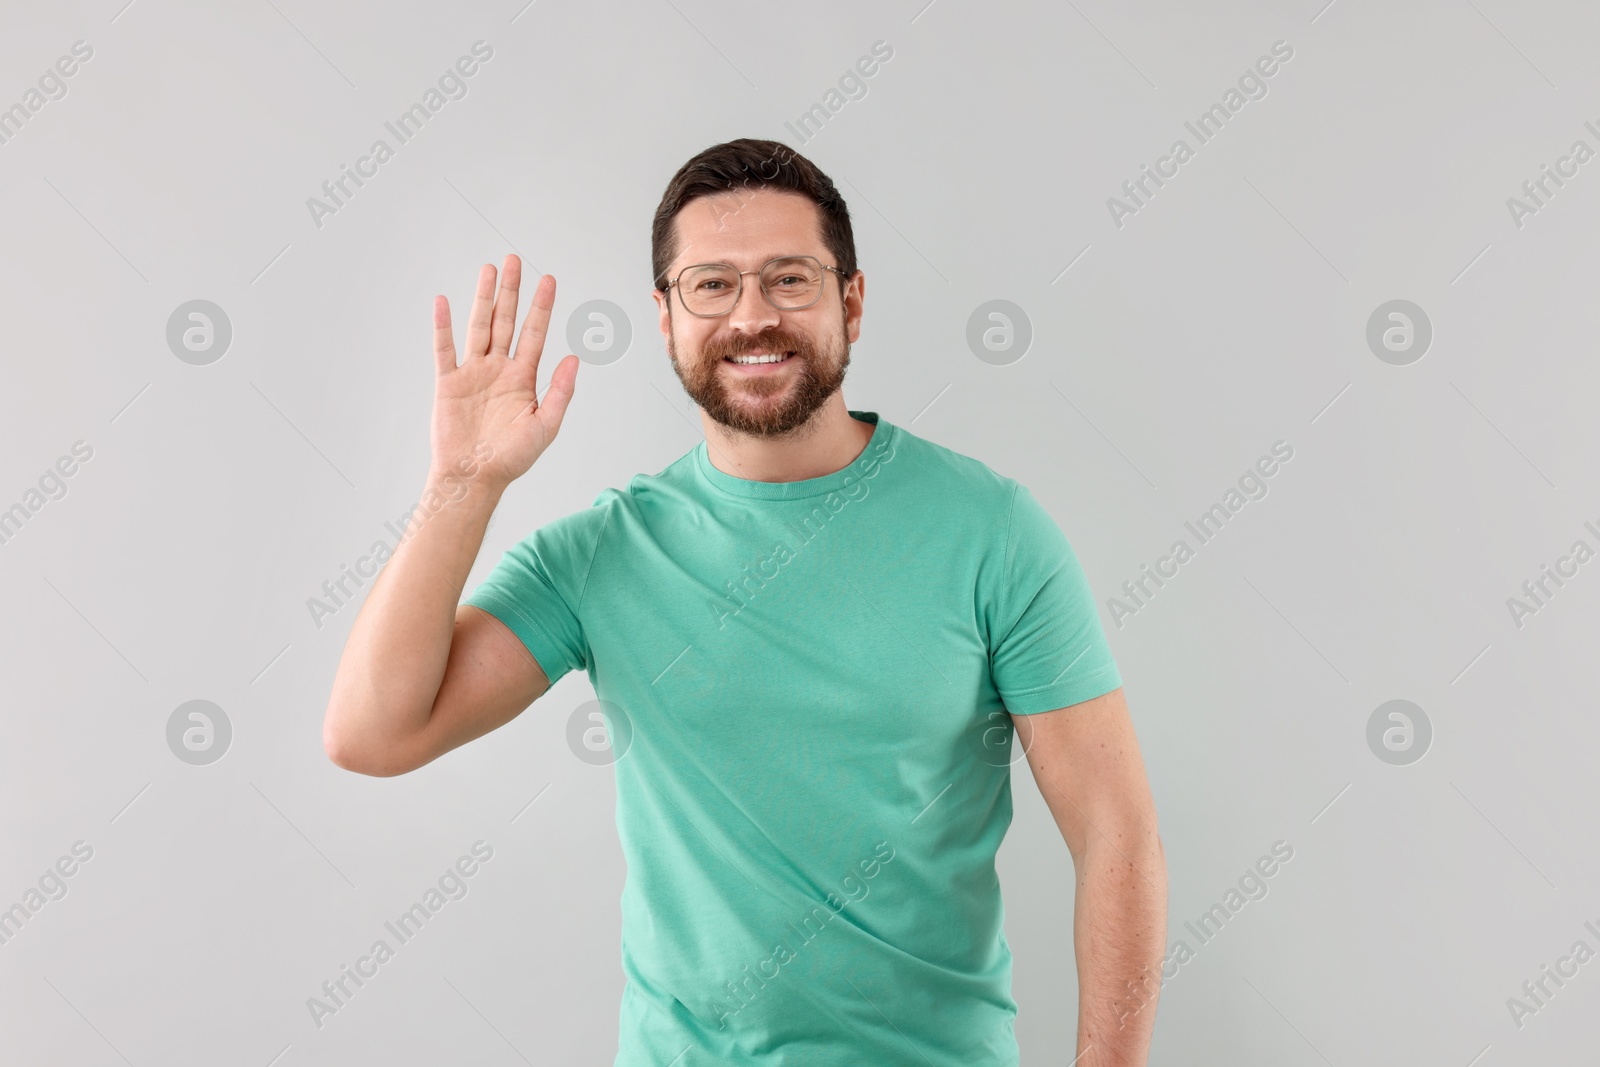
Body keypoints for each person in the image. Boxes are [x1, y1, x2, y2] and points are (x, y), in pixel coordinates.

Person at [322, 137, 1166, 1066]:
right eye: (711, 285)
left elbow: (1115, 832)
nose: (752, 316)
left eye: (789, 279)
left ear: (851, 299)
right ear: (665, 315)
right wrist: (462, 484)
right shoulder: (604, 552)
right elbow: (373, 733)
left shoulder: (994, 532)